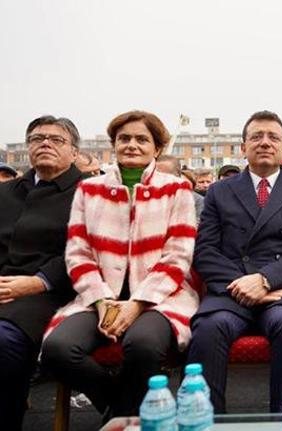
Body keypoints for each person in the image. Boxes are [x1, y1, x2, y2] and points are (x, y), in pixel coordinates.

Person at [40, 111, 198, 418]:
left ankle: (122, 416)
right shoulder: (89, 189)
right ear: (114, 144)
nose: (132, 145)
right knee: (58, 348)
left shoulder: (177, 189)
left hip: (160, 299)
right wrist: (101, 302)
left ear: (157, 148)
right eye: (124, 138)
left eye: (142, 139)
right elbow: (78, 253)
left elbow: (178, 255)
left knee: (142, 346)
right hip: (98, 299)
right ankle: (122, 412)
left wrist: (136, 304)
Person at [187, 110, 282, 413]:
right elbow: (205, 251)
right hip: (231, 290)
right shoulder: (218, 192)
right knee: (210, 327)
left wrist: (265, 281)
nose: (265, 142)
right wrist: (243, 284)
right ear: (243, 147)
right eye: (256, 137)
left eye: (273, 137)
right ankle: (207, 421)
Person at [0, 116, 82, 429]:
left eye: (56, 139)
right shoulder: (6, 192)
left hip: (49, 290)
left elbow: (85, 251)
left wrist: (38, 282)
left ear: (74, 152)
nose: (44, 143)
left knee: (4, 341)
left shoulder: (88, 192)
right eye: (36, 138)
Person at [156, 155, 204, 222]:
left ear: (178, 174)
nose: (160, 179)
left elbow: (198, 224)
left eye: (165, 175)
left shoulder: (196, 200)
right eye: (157, 175)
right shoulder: (148, 197)